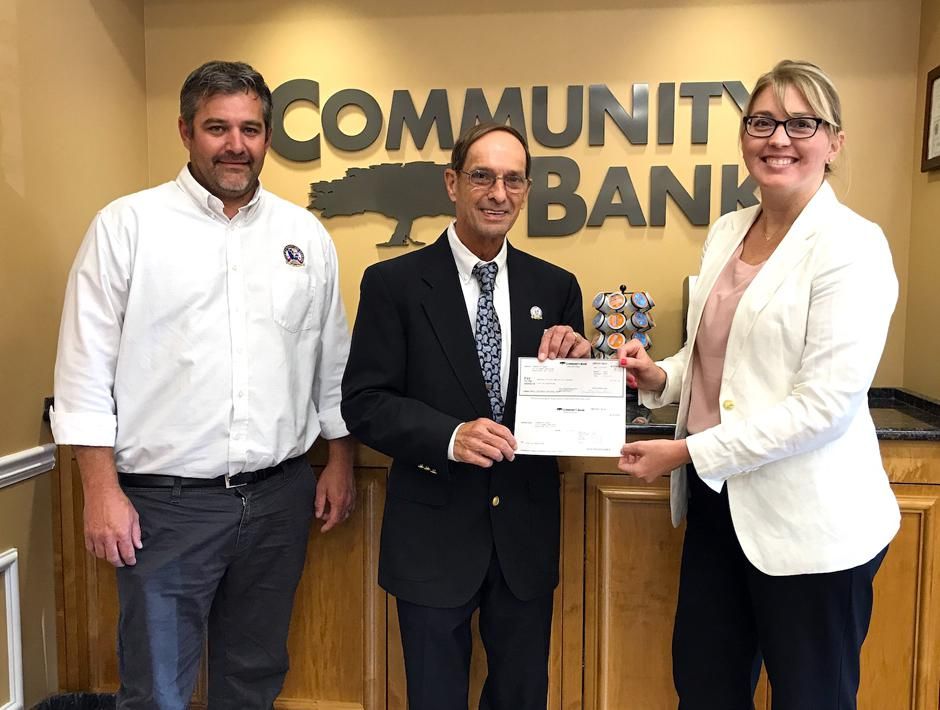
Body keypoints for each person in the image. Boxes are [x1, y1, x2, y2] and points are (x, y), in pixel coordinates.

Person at [50, 60, 355, 710]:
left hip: (278, 499)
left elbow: (331, 360)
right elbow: (83, 368)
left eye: (250, 129)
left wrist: (340, 460)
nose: (235, 144)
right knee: (157, 689)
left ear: (267, 137)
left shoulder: (303, 235)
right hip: (165, 508)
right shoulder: (127, 227)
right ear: (186, 131)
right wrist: (99, 490)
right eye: (218, 127)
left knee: (254, 677)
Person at [617, 59, 900, 710]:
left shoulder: (852, 247)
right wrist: (661, 375)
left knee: (811, 697)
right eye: (762, 122)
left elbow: (822, 407)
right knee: (705, 687)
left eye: (801, 123)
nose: (778, 138)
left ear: (834, 143)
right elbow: (718, 355)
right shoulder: (727, 231)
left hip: (810, 527)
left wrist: (686, 451)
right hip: (719, 508)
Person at [341, 123, 591, 710]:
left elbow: (560, 412)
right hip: (432, 534)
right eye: (482, 176)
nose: (498, 193)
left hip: (524, 537)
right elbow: (364, 401)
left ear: (526, 190)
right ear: (452, 183)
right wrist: (448, 436)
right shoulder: (393, 283)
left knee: (521, 696)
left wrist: (580, 368)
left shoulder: (556, 287)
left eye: (513, 180)